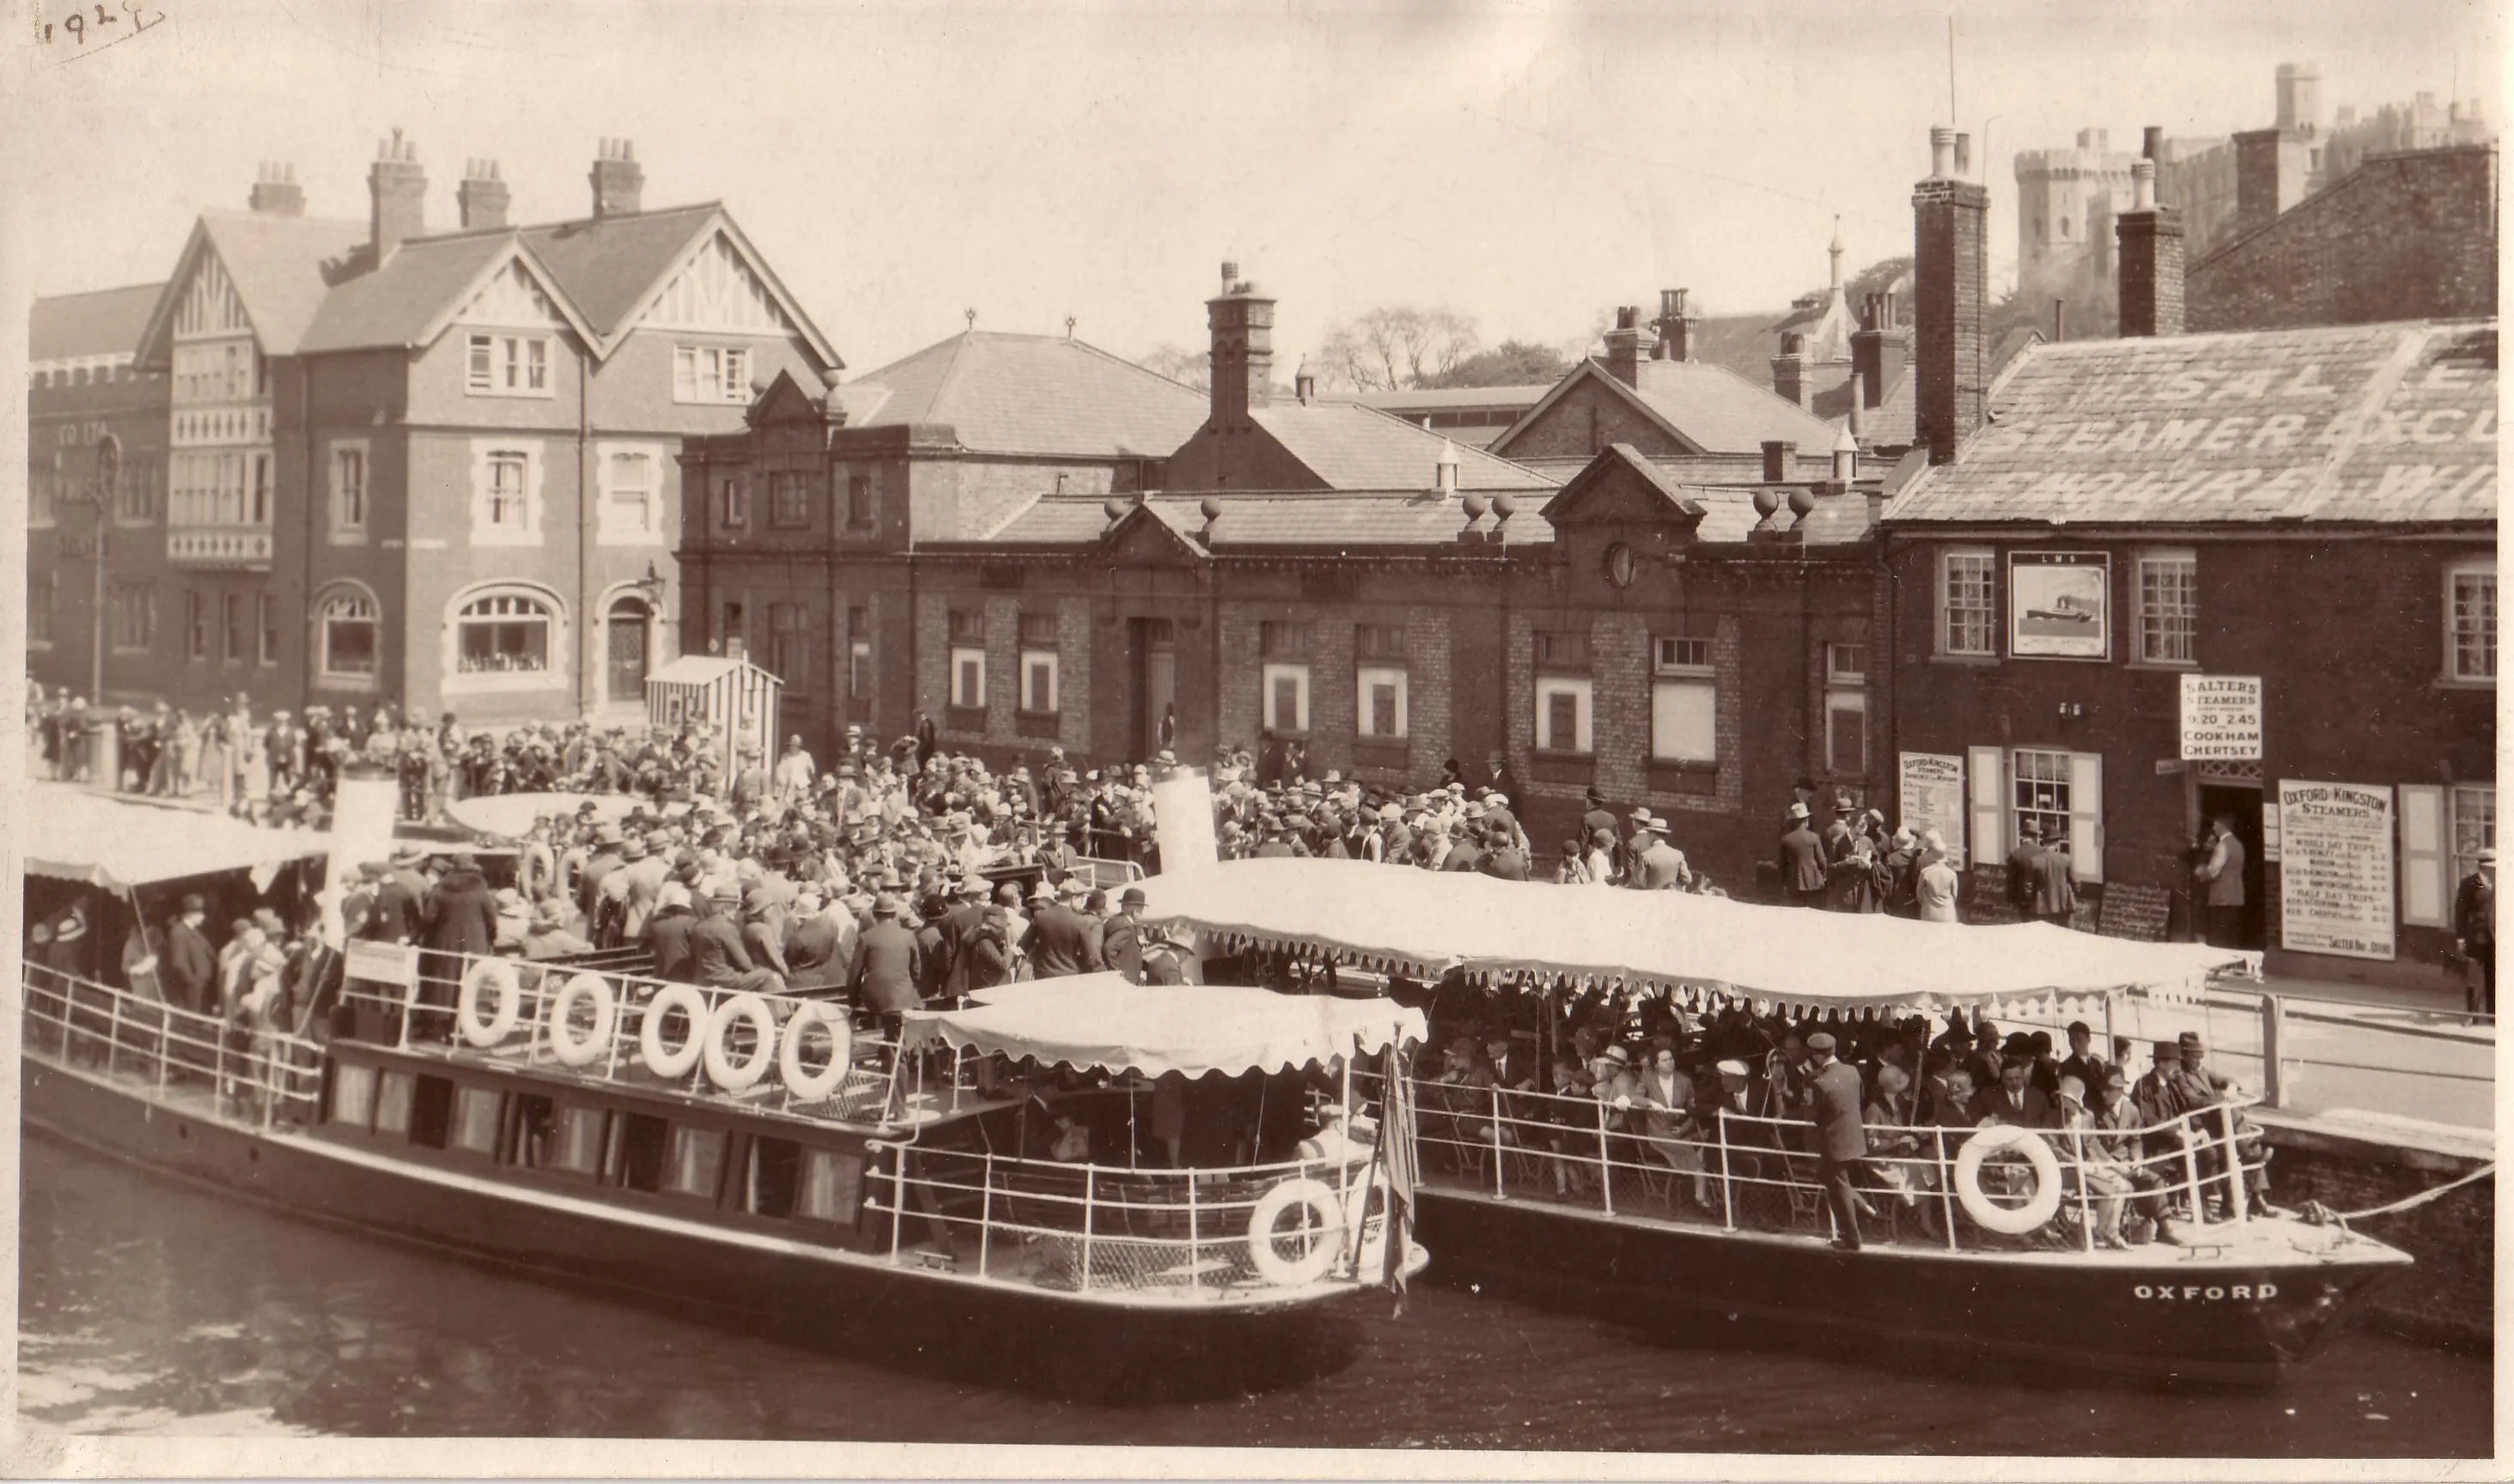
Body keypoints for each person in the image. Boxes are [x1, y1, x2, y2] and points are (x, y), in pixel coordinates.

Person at [1804, 1031, 1867, 1251]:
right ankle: (1858, 1215)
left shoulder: (1821, 1083)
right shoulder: (1852, 1071)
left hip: (1834, 1144)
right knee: (1835, 1183)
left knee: (1838, 1189)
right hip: (1855, 1139)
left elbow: (1815, 1116)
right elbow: (1860, 1098)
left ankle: (1852, 1239)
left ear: (1817, 1056)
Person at [2456, 846, 2495, 1022]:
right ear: (2483, 866)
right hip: (2475, 939)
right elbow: (2460, 913)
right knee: (2474, 978)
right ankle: (2473, 1015)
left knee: (2495, 978)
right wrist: (2461, 938)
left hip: (2496, 939)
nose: (2495, 870)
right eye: (2492, 867)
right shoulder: (2468, 884)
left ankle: (2494, 1015)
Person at [161, 894, 218, 1018]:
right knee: (191, 1018)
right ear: (189, 914)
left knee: (200, 1017)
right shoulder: (178, 932)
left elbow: (210, 953)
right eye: (199, 913)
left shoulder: (195, 931)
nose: (203, 917)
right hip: (191, 987)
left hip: (202, 986)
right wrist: (192, 981)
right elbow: (178, 962)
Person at [2195, 816, 2248, 948]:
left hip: (2221, 897)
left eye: (2215, 825)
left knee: (2219, 937)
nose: (2214, 828)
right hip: (2236, 895)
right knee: (2231, 936)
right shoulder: (2238, 844)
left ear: (2222, 826)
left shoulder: (2223, 845)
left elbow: (2213, 871)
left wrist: (2201, 871)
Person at [1780, 803, 1826, 909]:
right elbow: (1822, 861)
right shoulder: (1814, 837)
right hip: (1814, 882)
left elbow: (1782, 865)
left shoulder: (1786, 840)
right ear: (1806, 821)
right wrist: (1823, 875)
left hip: (1794, 883)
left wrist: (1784, 883)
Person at [2030, 832, 2078, 927]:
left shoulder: (2035, 860)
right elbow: (2074, 881)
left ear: (2043, 842)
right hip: (2064, 904)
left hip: (2043, 905)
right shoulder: (2066, 859)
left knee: (2046, 937)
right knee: (2067, 936)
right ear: (2056, 843)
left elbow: (2030, 885)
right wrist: (2076, 891)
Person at [1914, 830, 1961, 923]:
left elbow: (1918, 893)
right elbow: (1954, 894)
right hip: (1947, 911)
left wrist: (1925, 903)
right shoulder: (1951, 871)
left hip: (1929, 910)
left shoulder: (1923, 867)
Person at [2005, 819, 2045, 919]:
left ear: (2022, 835)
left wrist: (2011, 899)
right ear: (2036, 836)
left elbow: (2010, 881)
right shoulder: (2043, 852)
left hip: (2022, 900)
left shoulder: (2015, 854)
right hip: (2041, 900)